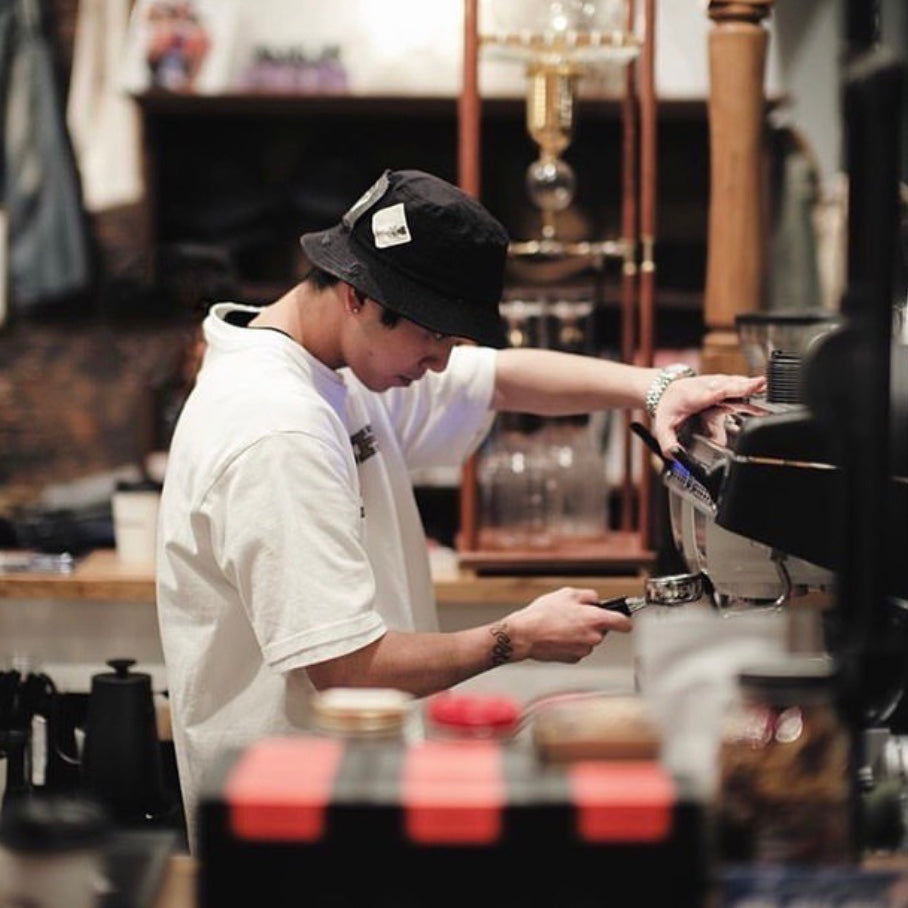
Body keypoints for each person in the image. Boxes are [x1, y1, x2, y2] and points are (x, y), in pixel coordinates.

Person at [155, 168, 765, 848]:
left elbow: (498, 379)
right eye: (434, 337)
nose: (442, 363)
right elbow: (346, 671)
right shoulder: (277, 428)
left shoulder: (332, 368)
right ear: (356, 295)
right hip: (293, 833)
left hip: (352, 800)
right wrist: (516, 638)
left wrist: (657, 389)